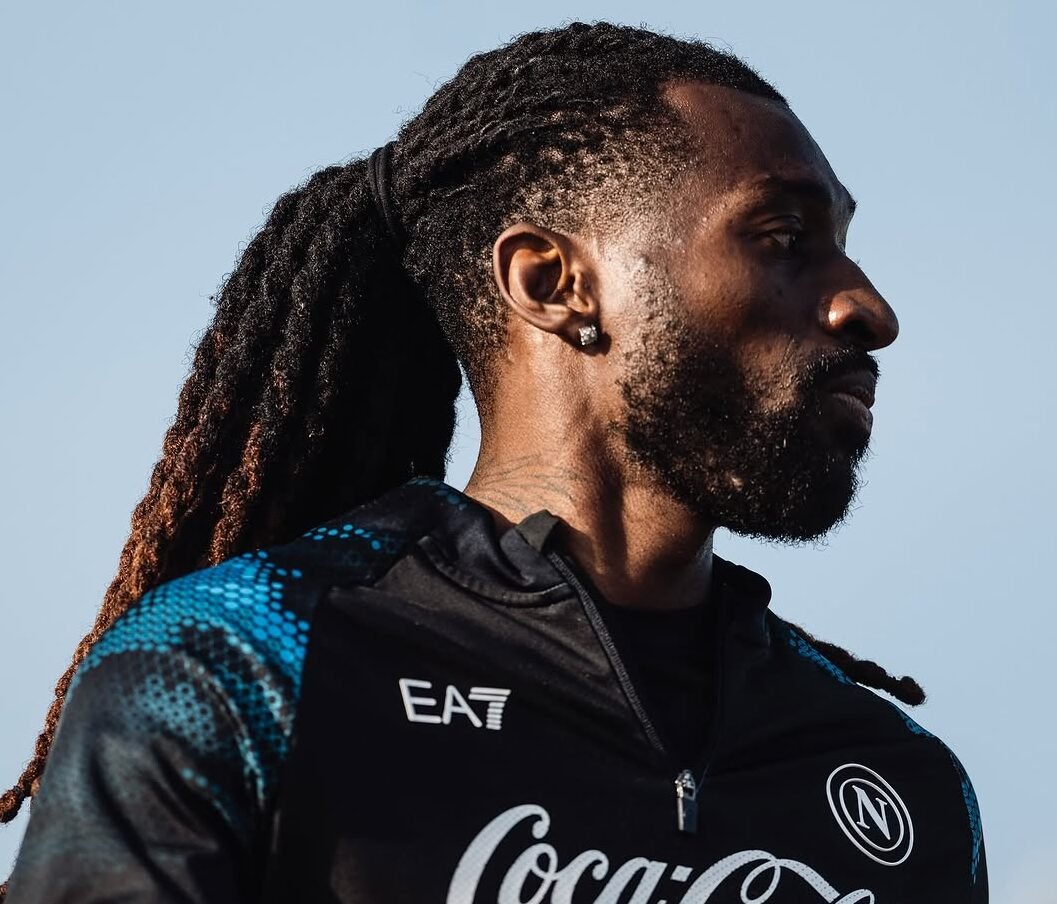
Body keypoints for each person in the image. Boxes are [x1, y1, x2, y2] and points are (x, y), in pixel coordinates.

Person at [1, 21, 986, 903]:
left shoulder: (900, 780)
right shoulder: (235, 668)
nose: (869, 309)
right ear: (552, 283)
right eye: (782, 239)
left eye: (842, 246)